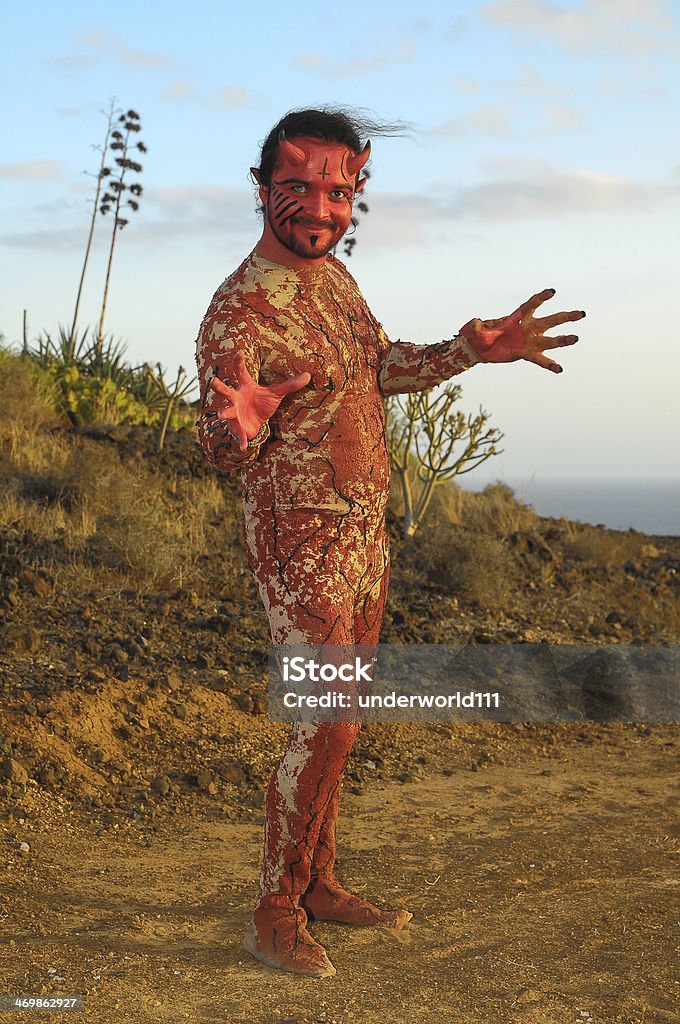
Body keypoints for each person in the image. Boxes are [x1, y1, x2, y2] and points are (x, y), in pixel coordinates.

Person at [195, 107, 585, 979]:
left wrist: (467, 351)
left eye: (337, 190)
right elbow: (220, 440)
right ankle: (271, 913)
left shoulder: (332, 283)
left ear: (356, 190)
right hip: (302, 547)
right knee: (323, 723)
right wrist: (233, 425)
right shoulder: (239, 313)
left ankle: (317, 880)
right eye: (296, 187)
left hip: (365, 537)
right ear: (261, 191)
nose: (319, 207)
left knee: (346, 721)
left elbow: (379, 370)